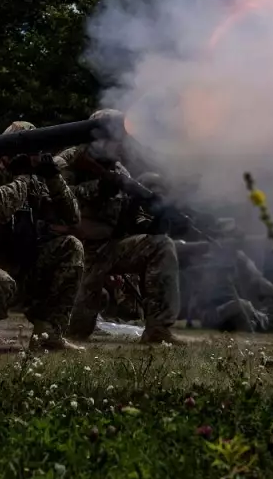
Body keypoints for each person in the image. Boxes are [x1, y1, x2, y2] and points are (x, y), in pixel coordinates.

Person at [55, 109, 186, 346]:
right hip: (71, 252)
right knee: (75, 331)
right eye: (113, 136)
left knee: (161, 246)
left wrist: (155, 210)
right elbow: (52, 198)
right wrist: (97, 188)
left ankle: (158, 328)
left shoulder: (117, 170)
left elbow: (130, 206)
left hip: (107, 248)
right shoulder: (68, 161)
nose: (119, 144)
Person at [0, 121, 85, 351]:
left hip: (21, 262)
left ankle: (49, 334)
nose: (34, 156)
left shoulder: (36, 179)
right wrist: (23, 177)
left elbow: (72, 218)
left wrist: (53, 178)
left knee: (70, 247)